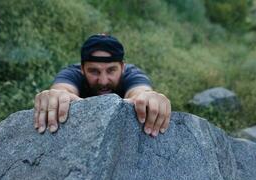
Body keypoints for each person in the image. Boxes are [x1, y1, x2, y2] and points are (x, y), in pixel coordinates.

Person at [34, 34, 171, 137]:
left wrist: (149, 98)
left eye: (111, 70)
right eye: (94, 71)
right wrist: (56, 95)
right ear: (82, 68)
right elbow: (62, 89)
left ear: (123, 67)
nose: (103, 81)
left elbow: (141, 92)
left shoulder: (133, 74)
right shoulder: (72, 73)